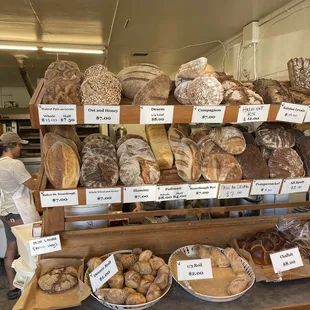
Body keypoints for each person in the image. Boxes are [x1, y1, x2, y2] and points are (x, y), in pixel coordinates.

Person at [0, 132, 38, 300]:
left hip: (5, 212)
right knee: (30, 248)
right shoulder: (14, 164)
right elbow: (33, 186)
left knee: (11, 248)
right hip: (17, 211)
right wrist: (39, 179)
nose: (21, 148)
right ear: (10, 146)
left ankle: (12, 287)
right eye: (18, 145)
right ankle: (31, 286)